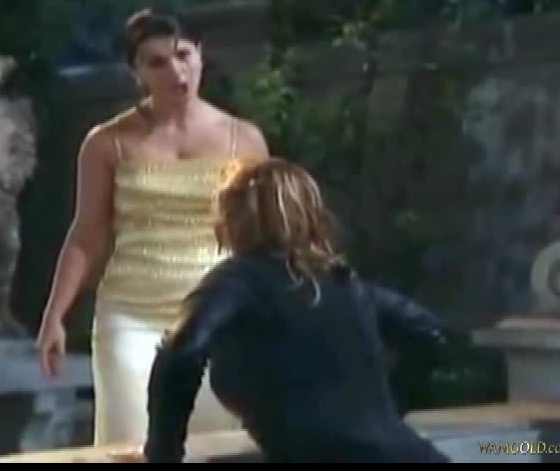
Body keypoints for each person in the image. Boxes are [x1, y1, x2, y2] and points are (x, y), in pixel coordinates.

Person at [36, 8, 269, 446]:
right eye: (157, 62)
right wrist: (55, 316)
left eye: (183, 56)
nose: (175, 72)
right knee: (132, 442)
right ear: (137, 71)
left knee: (217, 444)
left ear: (200, 55)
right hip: (131, 311)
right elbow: (87, 233)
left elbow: (264, 232)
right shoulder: (106, 142)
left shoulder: (244, 138)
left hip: (216, 312)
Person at [141, 158, 452, 463]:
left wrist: (162, 454)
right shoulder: (343, 284)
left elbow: (181, 352)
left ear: (231, 217)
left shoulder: (239, 280)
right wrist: (382, 416)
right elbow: (427, 331)